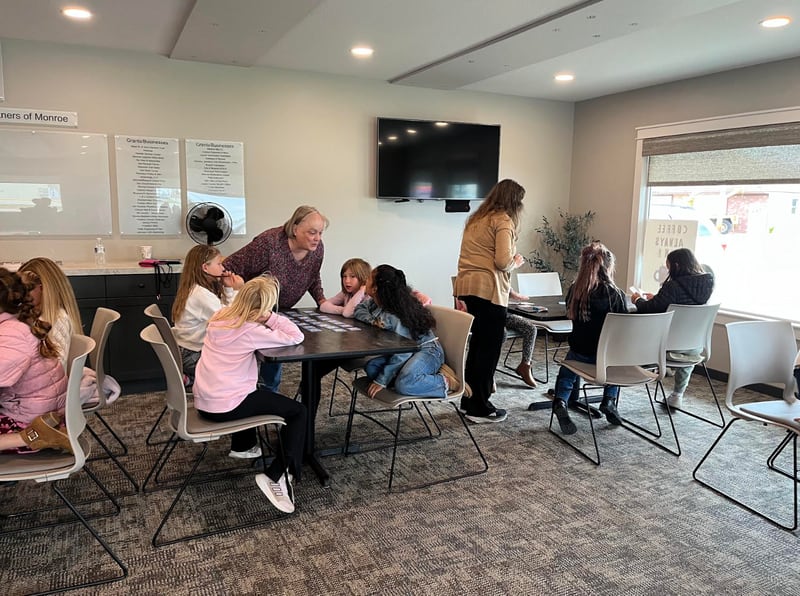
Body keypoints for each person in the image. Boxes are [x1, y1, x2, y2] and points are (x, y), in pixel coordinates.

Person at [192, 275, 307, 514]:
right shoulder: (250, 329)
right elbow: (296, 336)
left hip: (204, 401)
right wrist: (270, 317)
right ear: (263, 307)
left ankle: (243, 445)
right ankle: (276, 475)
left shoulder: (219, 317)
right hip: (227, 407)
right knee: (298, 412)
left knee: (250, 389)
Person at [223, 205, 329, 391]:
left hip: (283, 310)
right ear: (295, 229)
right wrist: (240, 293)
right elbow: (230, 265)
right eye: (312, 232)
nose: (317, 239)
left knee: (283, 352)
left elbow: (313, 275)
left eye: (320, 233)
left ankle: (268, 393)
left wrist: (321, 300)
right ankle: (261, 396)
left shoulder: (317, 249)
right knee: (269, 357)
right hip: (256, 308)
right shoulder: (268, 243)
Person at [453, 179, 526, 423]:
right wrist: (517, 261)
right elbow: (502, 262)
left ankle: (468, 400)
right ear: (514, 201)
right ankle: (480, 408)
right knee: (488, 351)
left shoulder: (476, 219)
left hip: (467, 288)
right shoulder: (503, 221)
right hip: (489, 292)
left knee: (475, 349)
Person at [550, 242, 628, 435]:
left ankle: (560, 400)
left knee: (568, 368)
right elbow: (624, 325)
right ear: (608, 267)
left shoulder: (575, 291)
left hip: (580, 353)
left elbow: (570, 315)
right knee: (615, 360)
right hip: (607, 360)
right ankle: (609, 400)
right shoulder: (616, 294)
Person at [354, 264, 459, 398]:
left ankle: (446, 381)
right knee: (371, 367)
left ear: (375, 288)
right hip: (402, 351)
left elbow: (404, 351)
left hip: (426, 350)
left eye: (368, 279)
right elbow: (359, 310)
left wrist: (382, 381)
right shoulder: (375, 303)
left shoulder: (395, 317)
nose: (365, 280)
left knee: (404, 384)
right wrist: (372, 321)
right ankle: (407, 377)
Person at [631, 247, 715, 408]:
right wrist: (658, 297)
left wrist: (637, 300)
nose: (668, 270)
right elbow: (685, 303)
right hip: (694, 346)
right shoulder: (707, 282)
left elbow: (649, 309)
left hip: (667, 346)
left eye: (668, 266)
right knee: (686, 350)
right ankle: (678, 394)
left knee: (635, 331)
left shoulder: (673, 286)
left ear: (676, 265)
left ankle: (643, 370)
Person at [0, 268, 71, 454]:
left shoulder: (11, 333)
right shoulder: (18, 322)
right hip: (41, 409)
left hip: (29, 418)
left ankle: (29, 437)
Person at [172, 245, 244, 384]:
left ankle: (193, 379)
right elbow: (230, 318)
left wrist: (228, 288)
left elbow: (223, 310)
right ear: (205, 267)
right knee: (240, 362)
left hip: (185, 350)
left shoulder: (194, 288)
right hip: (192, 355)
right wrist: (237, 290)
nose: (223, 268)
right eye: (219, 263)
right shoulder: (200, 294)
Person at [18, 257, 83, 372]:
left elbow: (58, 368)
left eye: (26, 289)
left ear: (43, 288)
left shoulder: (58, 320)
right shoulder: (35, 315)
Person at [505, 288, 538, 388]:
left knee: (531, 329)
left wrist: (516, 295)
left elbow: (506, 288)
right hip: (488, 314)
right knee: (500, 334)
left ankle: (525, 365)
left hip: (505, 313)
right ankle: (490, 372)